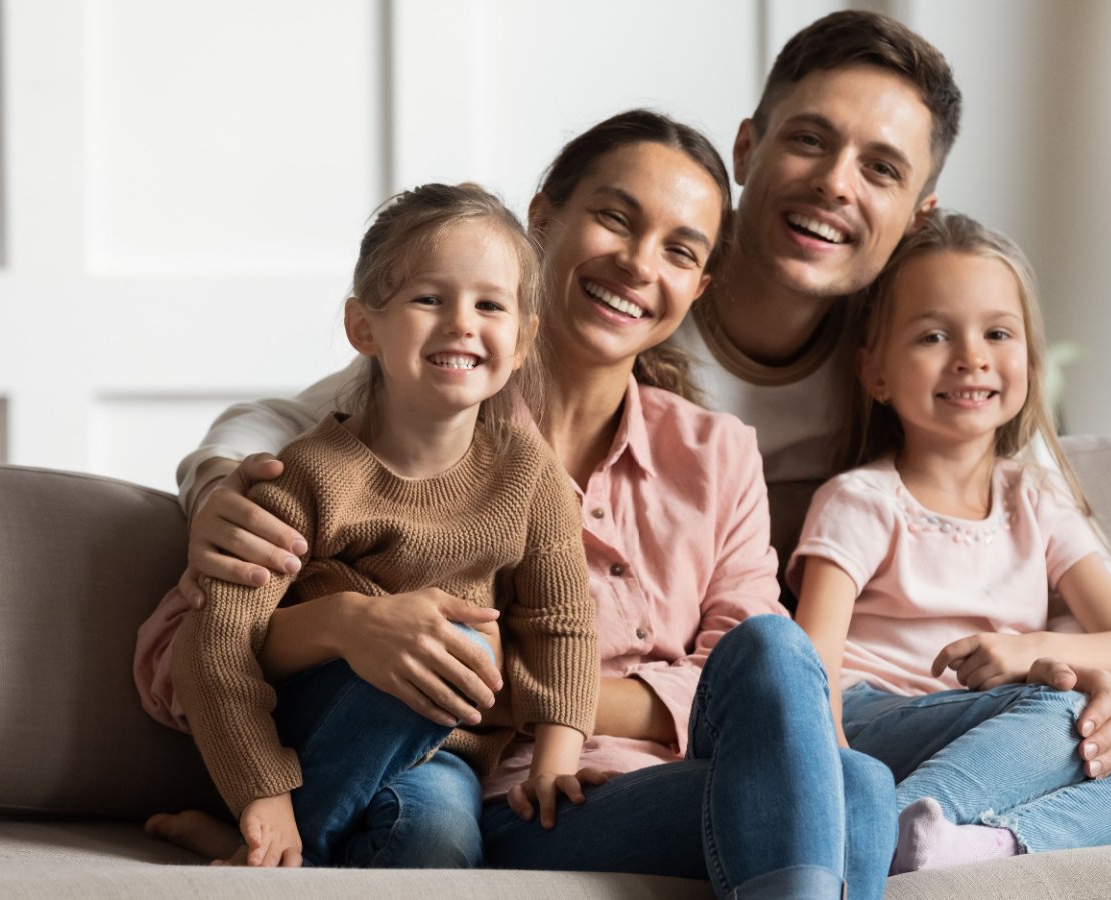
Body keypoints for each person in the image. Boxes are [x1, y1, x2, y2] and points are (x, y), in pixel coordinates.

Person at [152, 8, 1111, 787]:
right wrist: (227, 487)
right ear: (748, 150)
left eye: (879, 170)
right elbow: (317, 416)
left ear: (914, 213)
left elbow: (1020, 522)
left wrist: (1064, 679)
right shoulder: (606, 320)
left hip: (740, 696)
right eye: (809, 142)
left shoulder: (910, 358)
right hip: (573, 706)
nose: (837, 184)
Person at [141, 110, 899, 898]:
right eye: (614, 217)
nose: (641, 264)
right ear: (542, 221)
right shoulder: (428, 409)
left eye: (680, 250)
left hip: (619, 785)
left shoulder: (718, 452)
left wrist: (525, 691)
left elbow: (733, 687)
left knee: (838, 746)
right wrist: (326, 607)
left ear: (699, 286)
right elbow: (181, 650)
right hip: (493, 791)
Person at [169, 183, 601, 869]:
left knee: (437, 840)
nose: (462, 323)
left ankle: (277, 859)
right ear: (363, 326)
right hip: (311, 737)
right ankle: (277, 838)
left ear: (522, 341)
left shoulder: (529, 472)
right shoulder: (306, 474)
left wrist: (555, 761)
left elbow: (563, 623)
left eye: (490, 305)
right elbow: (214, 644)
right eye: (430, 298)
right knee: (453, 644)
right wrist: (262, 798)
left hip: (445, 755)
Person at [789, 211, 1111, 873]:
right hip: (879, 722)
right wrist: (830, 772)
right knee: (1058, 712)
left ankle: (980, 843)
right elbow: (806, 666)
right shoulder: (861, 501)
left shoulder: (1037, 500)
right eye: (933, 335)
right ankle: (867, 829)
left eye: (997, 333)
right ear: (876, 374)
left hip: (1006, 729)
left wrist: (1025, 651)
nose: (971, 356)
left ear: (1030, 360)